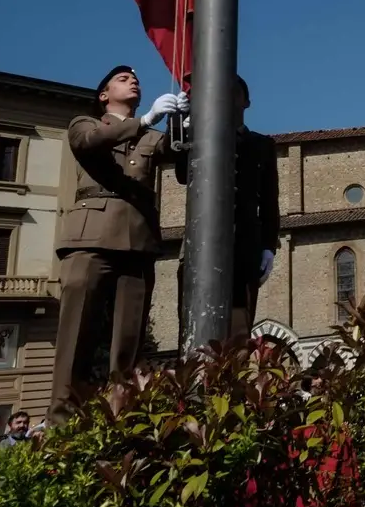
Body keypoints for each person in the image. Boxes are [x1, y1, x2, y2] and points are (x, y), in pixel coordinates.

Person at [48, 66, 185, 423]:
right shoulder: (85, 124)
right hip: (90, 238)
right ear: (104, 95)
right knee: (77, 333)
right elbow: (92, 142)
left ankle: (122, 417)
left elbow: (184, 155)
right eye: (123, 78)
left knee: (128, 340)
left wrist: (185, 117)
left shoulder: (151, 137)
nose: (133, 80)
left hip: (137, 243)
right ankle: (63, 419)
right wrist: (147, 119)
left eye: (136, 79)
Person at [175, 75, 281, 340]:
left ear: (246, 102)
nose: (225, 97)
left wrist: (268, 246)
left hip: (246, 246)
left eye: (233, 91)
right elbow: (180, 173)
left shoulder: (262, 145)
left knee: (238, 328)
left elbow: (269, 199)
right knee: (194, 324)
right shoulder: (198, 138)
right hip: (201, 243)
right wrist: (179, 125)